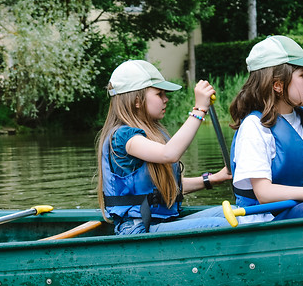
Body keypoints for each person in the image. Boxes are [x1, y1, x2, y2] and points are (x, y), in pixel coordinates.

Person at [95, 59, 232, 234]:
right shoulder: (123, 137)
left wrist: (213, 179)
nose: (166, 99)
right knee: (220, 225)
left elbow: (166, 188)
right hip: (138, 228)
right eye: (159, 94)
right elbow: (169, 154)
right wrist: (199, 109)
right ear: (137, 101)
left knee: (230, 212)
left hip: (158, 223)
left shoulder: (149, 134)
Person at [228, 35, 303, 223]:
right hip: (262, 220)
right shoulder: (254, 127)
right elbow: (264, 193)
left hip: (297, 210)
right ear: (278, 85)